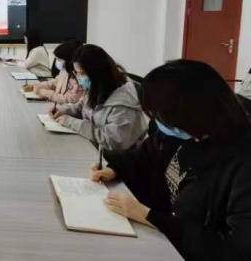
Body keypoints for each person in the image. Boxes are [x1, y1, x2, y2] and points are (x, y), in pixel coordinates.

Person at [90, 60, 251, 261]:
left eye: (161, 116)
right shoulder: (182, 132)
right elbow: (144, 156)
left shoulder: (241, 163)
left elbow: (235, 251)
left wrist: (148, 216)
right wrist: (114, 169)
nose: (157, 123)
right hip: (161, 238)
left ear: (189, 114)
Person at [52, 44, 147, 151]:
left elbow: (113, 140)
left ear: (96, 72)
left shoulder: (123, 103)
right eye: (76, 73)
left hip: (114, 156)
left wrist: (72, 123)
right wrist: (63, 110)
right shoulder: (98, 87)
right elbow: (83, 105)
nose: (78, 77)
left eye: (81, 73)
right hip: (93, 146)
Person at [24, 40, 84, 104]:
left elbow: (69, 100)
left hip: (63, 107)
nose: (57, 62)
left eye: (59, 59)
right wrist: (35, 86)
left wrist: (44, 92)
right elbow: (53, 83)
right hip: (57, 105)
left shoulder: (78, 78)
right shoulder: (64, 71)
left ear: (69, 61)